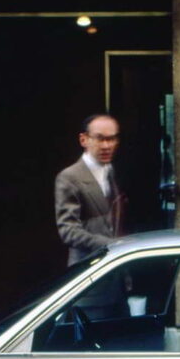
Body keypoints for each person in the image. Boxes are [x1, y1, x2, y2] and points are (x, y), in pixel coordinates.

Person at [54, 113, 126, 267]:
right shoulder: (69, 177)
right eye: (100, 139)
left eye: (111, 139)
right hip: (87, 267)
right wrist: (111, 244)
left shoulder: (112, 171)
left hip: (115, 266)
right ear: (83, 140)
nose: (106, 146)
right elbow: (68, 231)